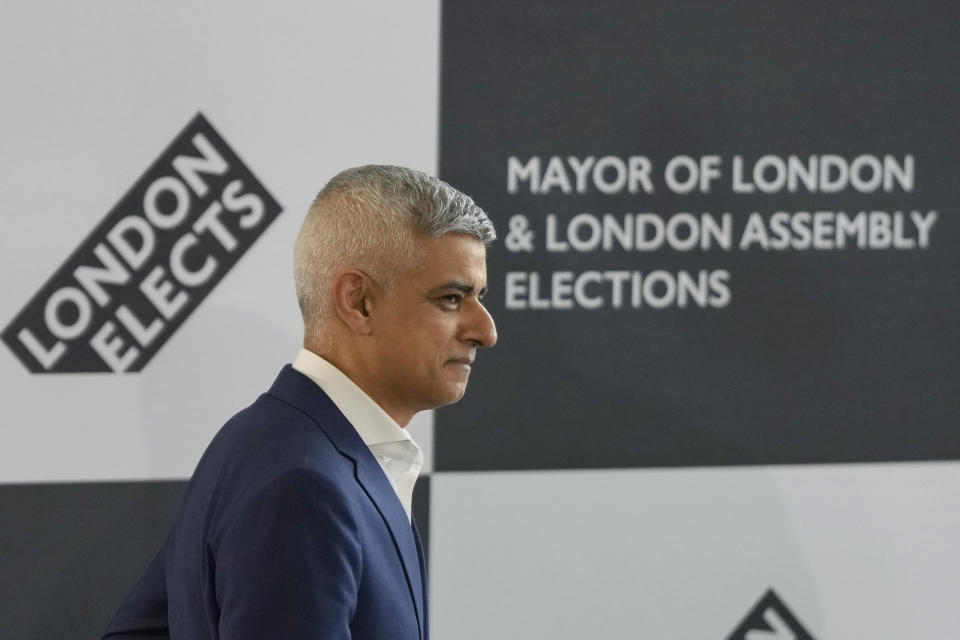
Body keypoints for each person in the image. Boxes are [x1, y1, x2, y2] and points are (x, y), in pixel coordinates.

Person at [101, 165, 498, 639]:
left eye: (479, 297)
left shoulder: (262, 440)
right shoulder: (303, 485)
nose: (486, 331)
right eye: (452, 298)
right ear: (359, 302)